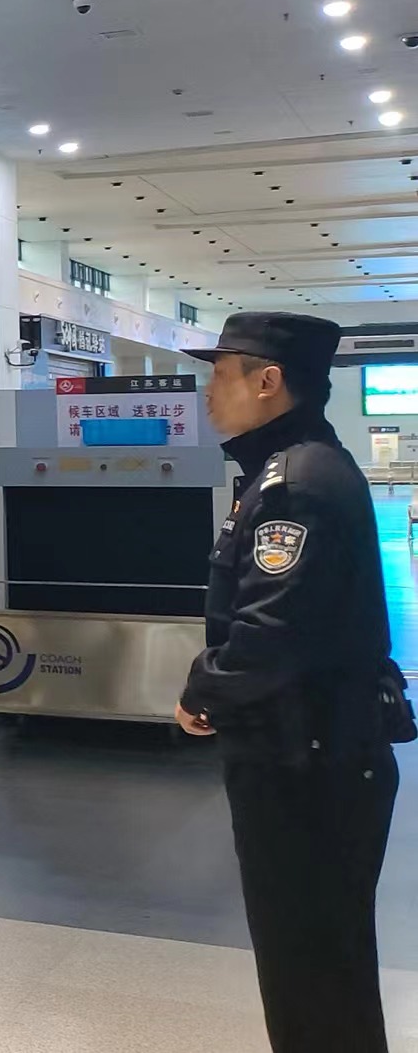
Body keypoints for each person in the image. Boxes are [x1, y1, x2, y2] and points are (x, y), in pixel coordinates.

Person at [178, 312, 409, 1053]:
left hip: (309, 760)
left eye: (221, 374)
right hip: (309, 751)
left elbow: (270, 631)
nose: (208, 391)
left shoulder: (295, 481)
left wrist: (201, 690)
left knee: (312, 965)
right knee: (313, 961)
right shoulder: (290, 468)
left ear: (268, 381)